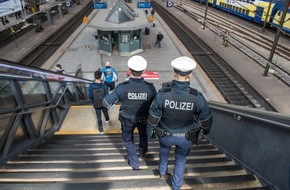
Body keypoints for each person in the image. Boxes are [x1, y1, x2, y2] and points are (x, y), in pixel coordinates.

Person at [147, 56, 213, 190]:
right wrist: (205, 131)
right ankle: (176, 186)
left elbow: (153, 115)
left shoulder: (162, 94)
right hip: (186, 137)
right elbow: (206, 118)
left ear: (173, 74)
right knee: (181, 160)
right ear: (190, 76)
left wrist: (150, 131)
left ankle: (161, 172)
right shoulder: (197, 97)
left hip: (165, 135)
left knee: (164, 151)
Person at [103, 55, 157, 170]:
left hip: (127, 119)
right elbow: (156, 105)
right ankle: (142, 151)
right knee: (143, 135)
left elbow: (105, 103)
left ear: (129, 70)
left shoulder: (122, 87)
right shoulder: (150, 88)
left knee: (128, 140)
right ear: (144, 71)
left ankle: (134, 163)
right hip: (144, 118)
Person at [88, 69, 110, 134]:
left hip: (96, 104)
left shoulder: (91, 86)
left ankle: (101, 130)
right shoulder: (104, 86)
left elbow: (90, 96)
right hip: (103, 103)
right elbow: (107, 95)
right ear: (100, 76)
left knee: (98, 117)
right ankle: (107, 119)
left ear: (94, 76)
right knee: (105, 112)